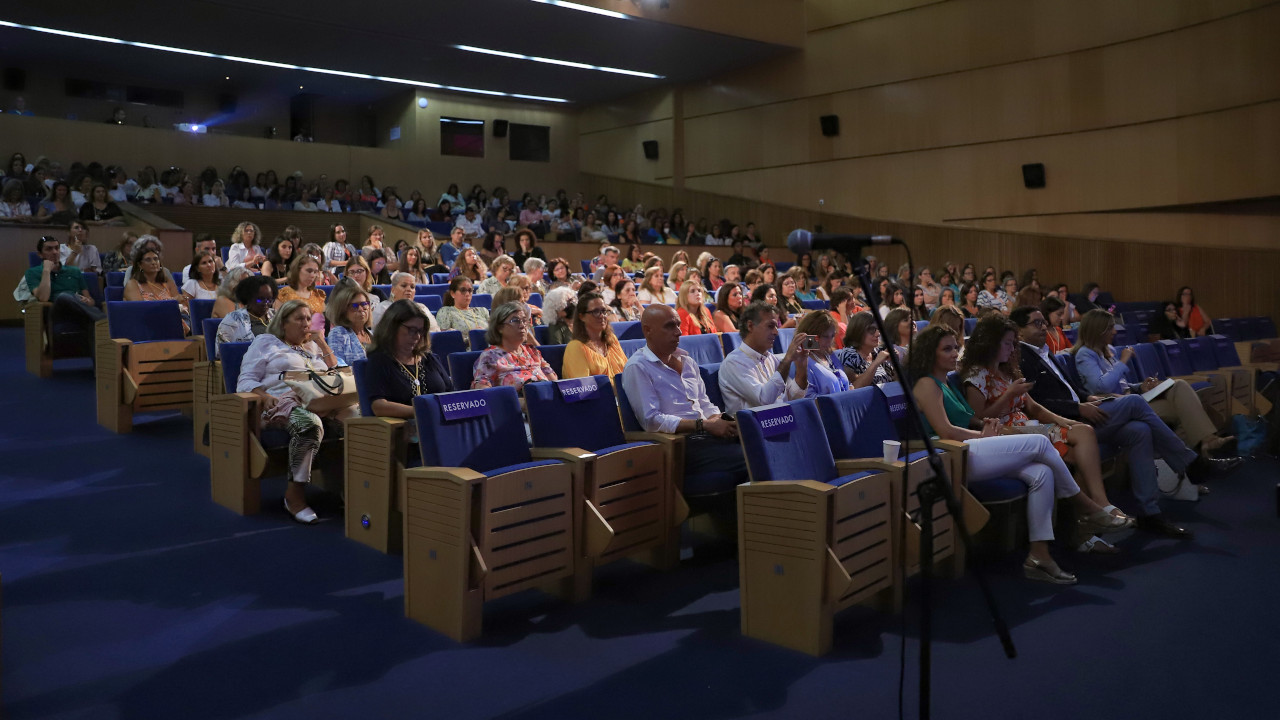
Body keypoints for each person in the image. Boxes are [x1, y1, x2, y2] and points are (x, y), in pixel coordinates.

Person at [909, 325, 1126, 585]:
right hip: (950, 456)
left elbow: (970, 421)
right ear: (928, 354)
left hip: (972, 446)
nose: (955, 352)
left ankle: (1039, 556)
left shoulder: (946, 382)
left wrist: (989, 427)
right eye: (947, 349)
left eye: (955, 347)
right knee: (1039, 442)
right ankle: (1087, 506)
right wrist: (984, 436)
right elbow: (944, 430)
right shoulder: (926, 384)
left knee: (1042, 473)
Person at [1014, 306, 1237, 538]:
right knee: (1135, 403)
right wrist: (1078, 407)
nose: (1044, 327)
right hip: (1068, 423)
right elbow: (1037, 403)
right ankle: (1191, 463)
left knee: (1139, 430)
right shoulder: (1022, 357)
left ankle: (1149, 513)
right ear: (1019, 331)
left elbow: (1071, 389)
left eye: (1044, 322)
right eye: (1036, 323)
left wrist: (1086, 398)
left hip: (1085, 410)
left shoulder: (1045, 352)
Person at [960, 315, 1136, 532]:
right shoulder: (978, 374)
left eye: (1013, 343)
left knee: (1083, 433)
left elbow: (1034, 407)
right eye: (1007, 343)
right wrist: (1008, 396)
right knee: (1077, 451)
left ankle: (1098, 509)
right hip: (1007, 432)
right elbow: (979, 419)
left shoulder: (1007, 371)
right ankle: (1089, 518)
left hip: (1028, 425)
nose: (1011, 348)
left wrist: (1066, 422)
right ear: (990, 343)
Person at [237, 300, 353, 524]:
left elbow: (338, 373)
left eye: (309, 319)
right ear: (283, 322)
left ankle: (352, 489)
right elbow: (245, 380)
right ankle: (295, 496)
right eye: (300, 318)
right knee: (309, 424)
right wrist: (264, 397)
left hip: (323, 400)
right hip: (282, 402)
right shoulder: (266, 342)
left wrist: (321, 341)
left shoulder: (311, 346)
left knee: (361, 422)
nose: (306, 324)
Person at [1072, 309, 1235, 459]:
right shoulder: (1085, 355)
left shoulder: (1108, 351)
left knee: (1179, 386)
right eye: (1110, 328)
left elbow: (1123, 385)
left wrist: (1141, 386)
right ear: (1098, 331)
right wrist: (1123, 361)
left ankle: (1198, 457)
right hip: (1119, 408)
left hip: (1133, 399)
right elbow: (1102, 387)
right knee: (1185, 409)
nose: (1114, 332)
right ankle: (1202, 454)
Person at [622, 305, 747, 491]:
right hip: (680, 445)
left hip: (706, 435)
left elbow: (704, 403)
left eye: (678, 325)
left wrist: (718, 419)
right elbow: (651, 420)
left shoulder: (688, 362)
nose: (678, 332)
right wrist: (704, 425)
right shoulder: (638, 367)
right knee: (751, 458)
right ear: (648, 330)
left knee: (759, 444)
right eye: (669, 326)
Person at [364, 300, 452, 418]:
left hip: (440, 423)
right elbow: (379, 406)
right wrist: (425, 412)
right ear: (392, 327)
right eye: (411, 330)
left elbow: (451, 393)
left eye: (421, 331)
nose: (417, 336)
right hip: (404, 428)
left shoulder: (429, 358)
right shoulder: (379, 361)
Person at [719, 301, 809, 413]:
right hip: (755, 427)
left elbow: (794, 396)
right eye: (770, 326)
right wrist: (787, 360)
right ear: (750, 326)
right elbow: (764, 401)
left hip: (781, 421)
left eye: (776, 326)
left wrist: (801, 366)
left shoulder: (770, 358)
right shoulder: (734, 363)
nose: (776, 332)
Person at [21, 235, 104, 353]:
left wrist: (87, 301)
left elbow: (91, 300)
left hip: (79, 311)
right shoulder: (32, 273)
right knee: (63, 296)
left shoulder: (74, 271)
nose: (54, 252)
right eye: (49, 249)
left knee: (93, 325)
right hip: (56, 313)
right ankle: (103, 320)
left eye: (57, 248)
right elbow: (43, 298)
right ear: (40, 254)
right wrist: (46, 271)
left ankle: (101, 370)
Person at [471, 302, 557, 391]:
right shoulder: (490, 356)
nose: (522, 325)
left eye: (524, 320)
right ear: (499, 328)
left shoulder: (532, 351)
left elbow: (554, 383)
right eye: (515, 321)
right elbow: (484, 393)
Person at [561, 293, 628, 381]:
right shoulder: (575, 347)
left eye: (604, 311)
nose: (602, 316)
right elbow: (585, 389)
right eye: (596, 312)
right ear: (581, 317)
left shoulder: (612, 339)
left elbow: (628, 372)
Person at [215, 274, 277, 352]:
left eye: (269, 300)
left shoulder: (277, 316)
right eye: (260, 300)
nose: (265, 303)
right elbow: (221, 352)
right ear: (248, 298)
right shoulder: (232, 320)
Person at [797, 309, 851, 397]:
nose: (830, 341)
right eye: (825, 336)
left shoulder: (830, 355)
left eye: (832, 336)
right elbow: (809, 399)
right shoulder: (803, 361)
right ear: (810, 335)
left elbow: (846, 383)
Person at [837, 311, 894, 387]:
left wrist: (895, 363)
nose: (878, 334)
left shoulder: (876, 352)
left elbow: (892, 381)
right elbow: (854, 389)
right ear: (858, 331)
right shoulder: (849, 355)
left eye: (878, 329)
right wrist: (876, 363)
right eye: (872, 330)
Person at [372, 272, 440, 331]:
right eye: (404, 286)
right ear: (393, 290)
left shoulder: (422, 308)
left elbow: (435, 331)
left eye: (412, 287)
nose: (409, 289)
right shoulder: (383, 309)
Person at [436, 276, 490, 345]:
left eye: (470, 290)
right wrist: (471, 337)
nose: (467, 294)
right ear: (453, 294)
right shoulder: (446, 312)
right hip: (466, 351)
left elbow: (495, 334)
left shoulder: (482, 311)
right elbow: (445, 342)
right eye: (463, 290)